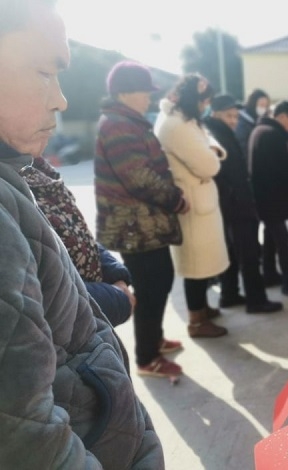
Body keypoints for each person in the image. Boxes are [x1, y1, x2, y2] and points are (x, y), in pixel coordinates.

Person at [0, 1, 164, 467]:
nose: (61, 99)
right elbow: (27, 438)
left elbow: (69, 254)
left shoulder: (19, 172)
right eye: (43, 72)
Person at [95, 60, 189, 378]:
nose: (149, 98)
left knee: (160, 280)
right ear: (124, 93)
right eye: (144, 92)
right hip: (134, 226)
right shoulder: (118, 125)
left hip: (144, 225)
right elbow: (139, 177)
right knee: (151, 286)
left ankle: (154, 339)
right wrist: (175, 198)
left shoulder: (128, 121)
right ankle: (147, 357)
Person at [154, 74, 230, 338]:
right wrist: (213, 156)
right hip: (193, 202)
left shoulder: (183, 119)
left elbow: (210, 145)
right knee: (195, 266)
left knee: (203, 263)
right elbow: (209, 164)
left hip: (199, 197)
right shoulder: (177, 125)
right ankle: (196, 321)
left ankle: (203, 309)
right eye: (204, 100)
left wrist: (212, 153)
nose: (206, 105)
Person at [21, 156, 135, 327]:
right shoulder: (11, 185)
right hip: (64, 339)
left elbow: (78, 234)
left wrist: (117, 275)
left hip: (92, 322)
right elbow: (47, 297)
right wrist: (117, 298)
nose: (52, 128)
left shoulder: (39, 169)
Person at [204, 94, 283, 314]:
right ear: (215, 113)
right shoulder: (214, 133)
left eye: (236, 116)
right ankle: (256, 300)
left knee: (229, 253)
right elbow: (225, 172)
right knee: (249, 254)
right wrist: (241, 199)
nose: (233, 120)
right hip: (236, 204)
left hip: (229, 204)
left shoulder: (215, 131)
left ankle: (229, 295)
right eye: (229, 115)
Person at [249, 101, 288, 300]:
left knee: (270, 236)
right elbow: (285, 168)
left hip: (264, 196)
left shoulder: (260, 129)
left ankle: (269, 273)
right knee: (282, 240)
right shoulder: (272, 134)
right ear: (282, 116)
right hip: (272, 197)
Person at [235, 88, 270, 159]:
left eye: (266, 106)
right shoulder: (242, 123)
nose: (264, 109)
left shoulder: (259, 121)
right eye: (261, 105)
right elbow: (242, 148)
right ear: (253, 104)